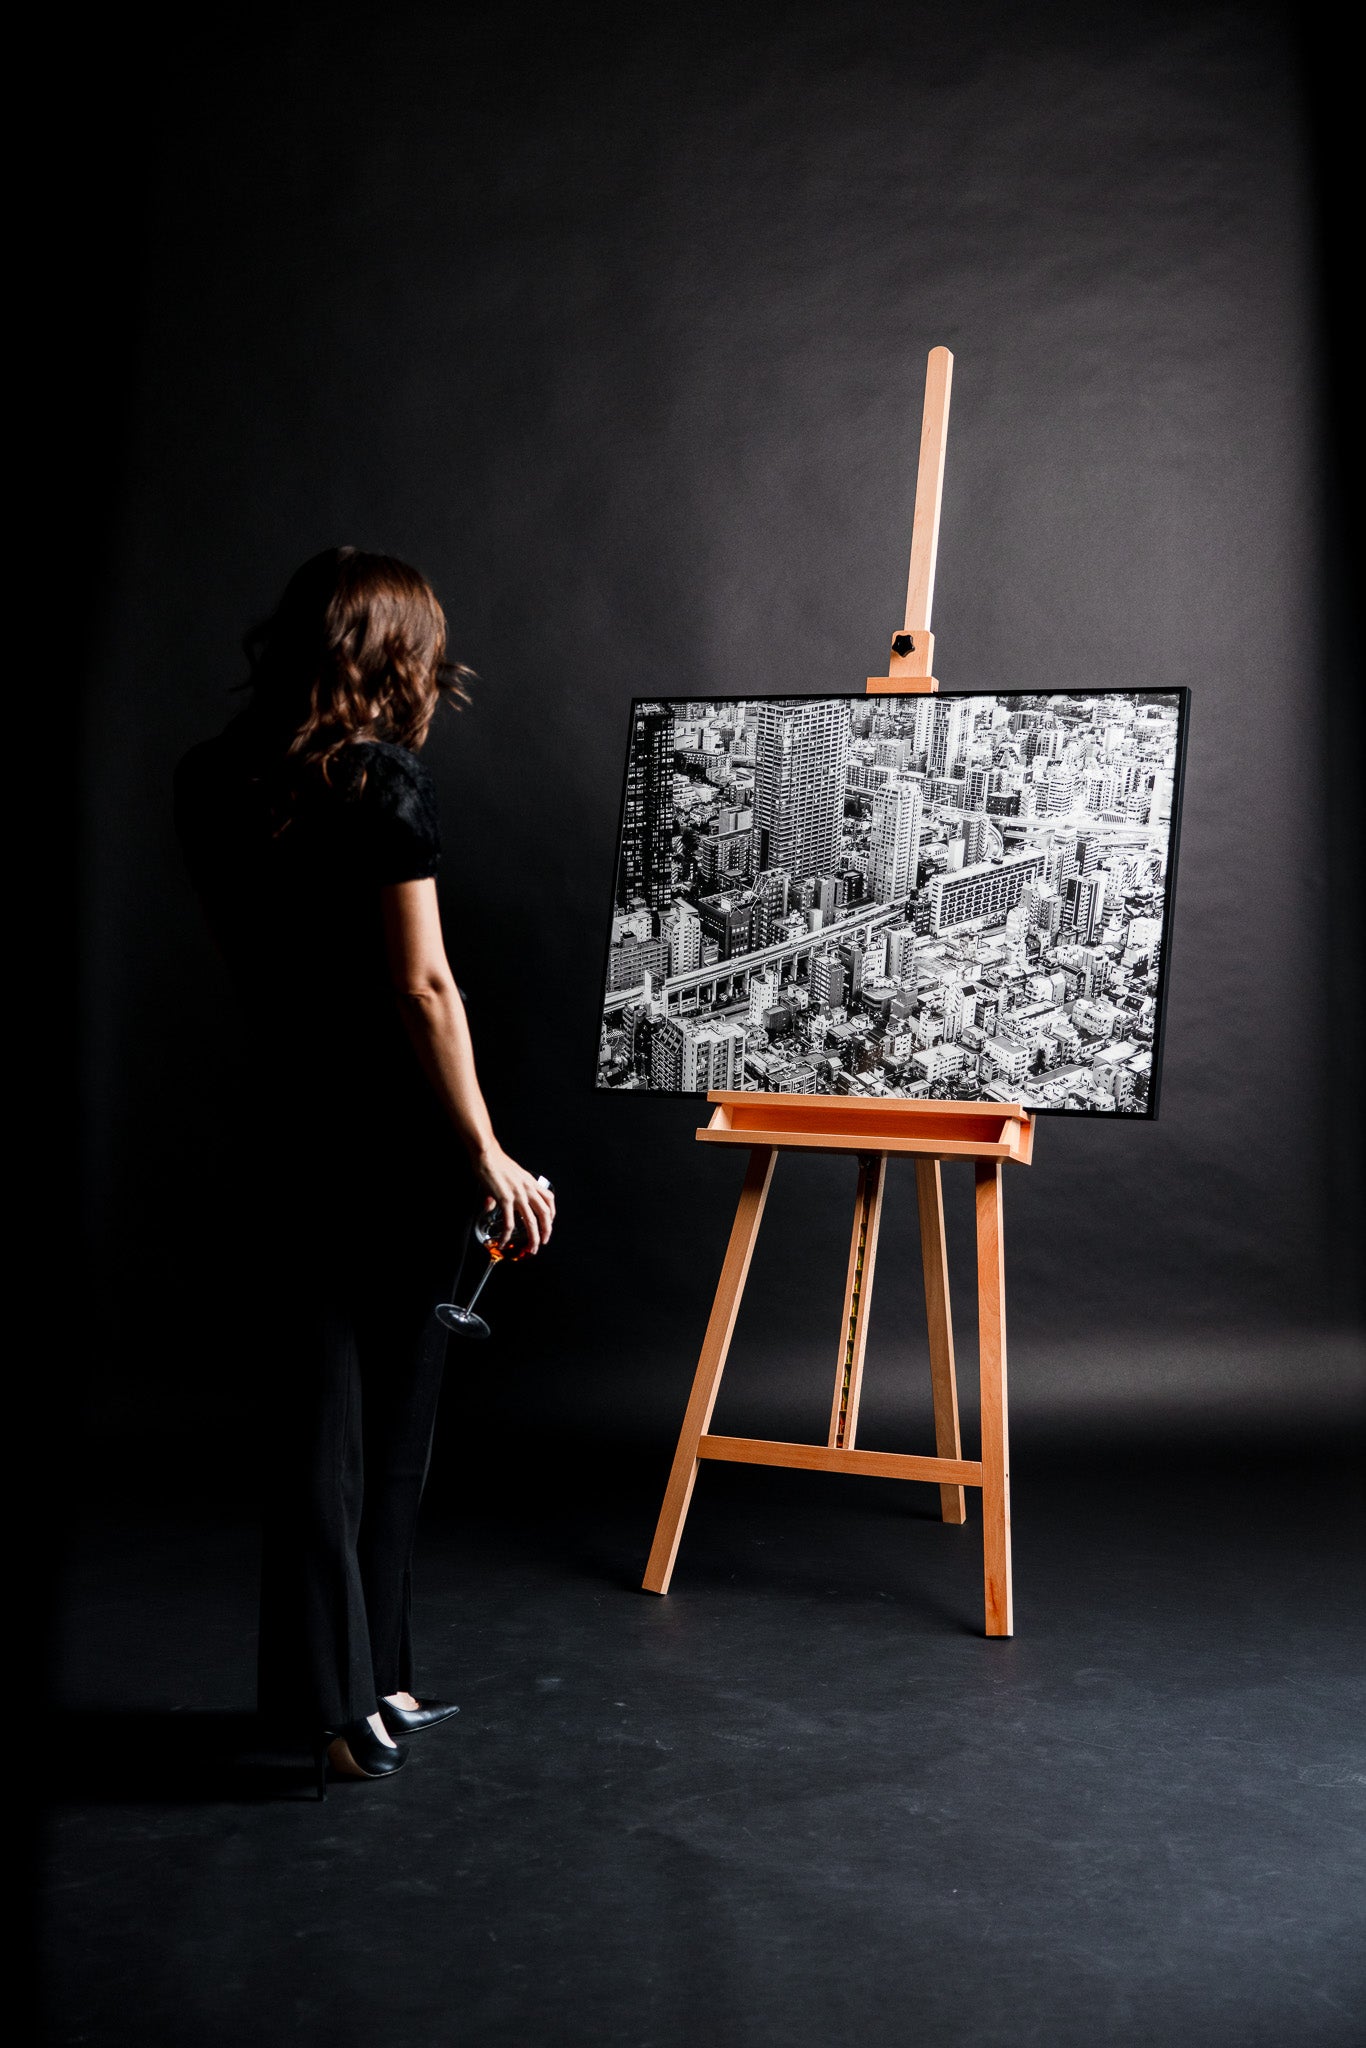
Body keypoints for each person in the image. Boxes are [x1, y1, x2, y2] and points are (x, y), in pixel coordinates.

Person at [175, 547, 554, 1790]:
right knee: (386, 1426)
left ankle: (358, 1681)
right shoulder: (385, 783)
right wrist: (488, 1149)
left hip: (279, 1122)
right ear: (395, 654)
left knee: (324, 1423)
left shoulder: (209, 779)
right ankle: (348, 1703)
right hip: (392, 1139)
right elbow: (421, 983)